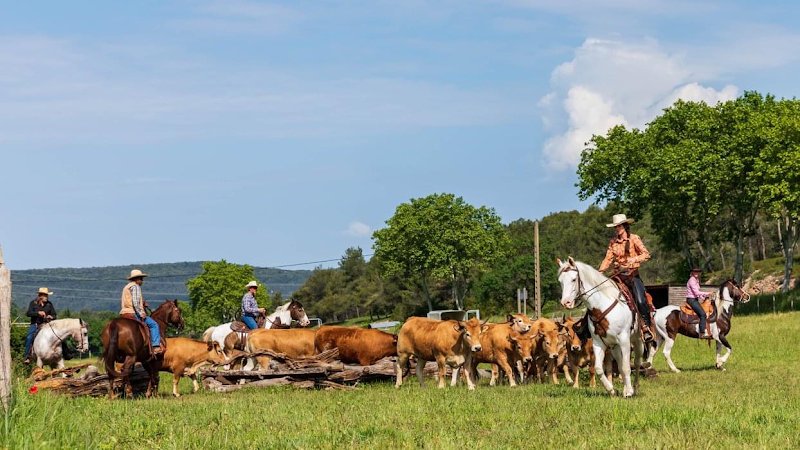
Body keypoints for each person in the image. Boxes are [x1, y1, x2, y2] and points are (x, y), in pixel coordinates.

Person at [598, 213, 654, 342]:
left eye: (618, 226)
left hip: (632, 276)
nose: (617, 229)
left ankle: (645, 327)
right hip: (618, 276)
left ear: (624, 226)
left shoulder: (634, 238)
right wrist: (600, 272)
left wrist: (633, 259)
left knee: (640, 300)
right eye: (615, 227)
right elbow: (607, 259)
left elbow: (646, 254)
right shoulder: (613, 242)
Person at [120, 269, 162, 355]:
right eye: (141, 278)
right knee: (154, 325)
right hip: (133, 312)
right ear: (137, 279)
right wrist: (141, 312)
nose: (142, 281)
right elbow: (135, 302)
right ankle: (156, 346)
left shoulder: (126, 287)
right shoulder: (136, 287)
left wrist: (142, 303)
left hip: (124, 312)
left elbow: (129, 300)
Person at [23, 287, 57, 364]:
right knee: (29, 337)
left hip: (47, 324)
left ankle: (66, 354)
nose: (47, 297)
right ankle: (27, 356)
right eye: (45, 295)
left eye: (47, 295)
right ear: (40, 295)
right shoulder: (33, 303)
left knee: (57, 335)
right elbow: (28, 313)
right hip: (35, 324)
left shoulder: (49, 304)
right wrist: (38, 313)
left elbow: (54, 315)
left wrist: (51, 317)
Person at [686, 267, 713, 338]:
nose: (696, 273)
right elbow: (696, 292)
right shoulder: (692, 280)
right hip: (691, 300)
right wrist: (707, 293)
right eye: (695, 272)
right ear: (692, 272)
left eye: (698, 272)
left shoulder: (696, 280)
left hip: (695, 299)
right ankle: (702, 332)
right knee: (703, 314)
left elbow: (697, 294)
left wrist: (703, 298)